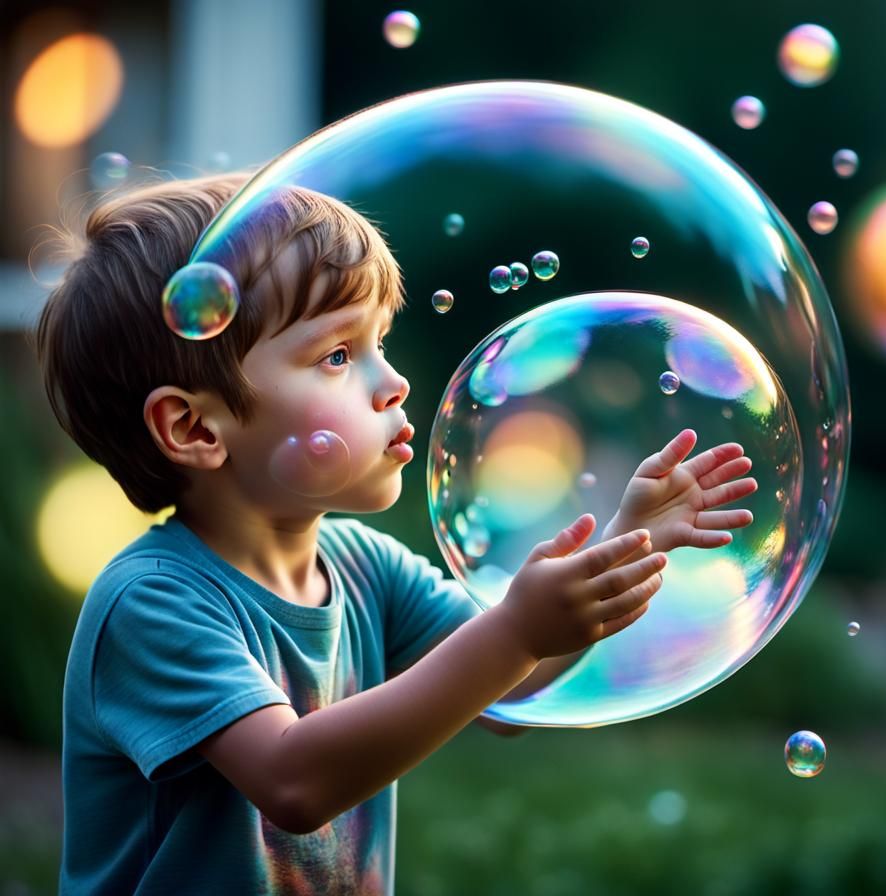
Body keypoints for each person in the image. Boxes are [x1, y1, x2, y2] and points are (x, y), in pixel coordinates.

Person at [35, 174, 757, 895]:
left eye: (379, 341)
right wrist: (517, 631)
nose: (394, 382)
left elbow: (507, 692)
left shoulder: (364, 565)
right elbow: (293, 781)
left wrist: (624, 546)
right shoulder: (153, 602)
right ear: (195, 428)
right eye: (337, 355)